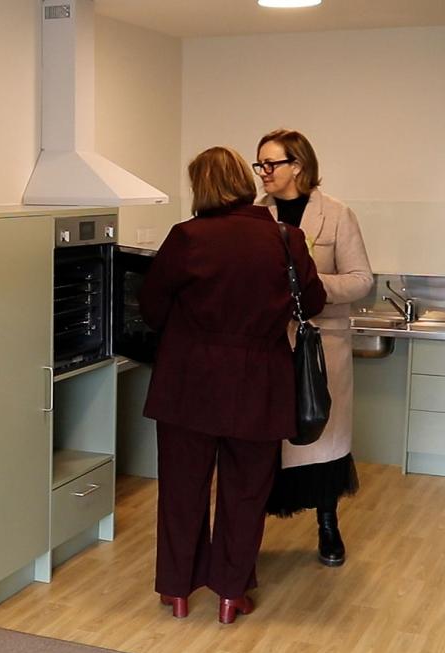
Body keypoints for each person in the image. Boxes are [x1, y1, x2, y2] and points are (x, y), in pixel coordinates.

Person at [138, 146, 326, 623]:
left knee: (182, 489)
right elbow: (315, 300)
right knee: (246, 492)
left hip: (187, 385)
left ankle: (177, 590)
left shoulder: (186, 238)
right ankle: (229, 593)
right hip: (260, 384)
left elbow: (153, 309)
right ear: (245, 181)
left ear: (200, 188)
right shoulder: (286, 238)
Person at [253, 129, 373, 567]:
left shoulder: (338, 215)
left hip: (321, 347)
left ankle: (327, 525)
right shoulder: (253, 216)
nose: (263, 172)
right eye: (259, 164)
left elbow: (362, 280)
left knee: (323, 440)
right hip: (267, 349)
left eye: (271, 164)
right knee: (267, 445)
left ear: (298, 166)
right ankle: (250, 535)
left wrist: (309, 287)